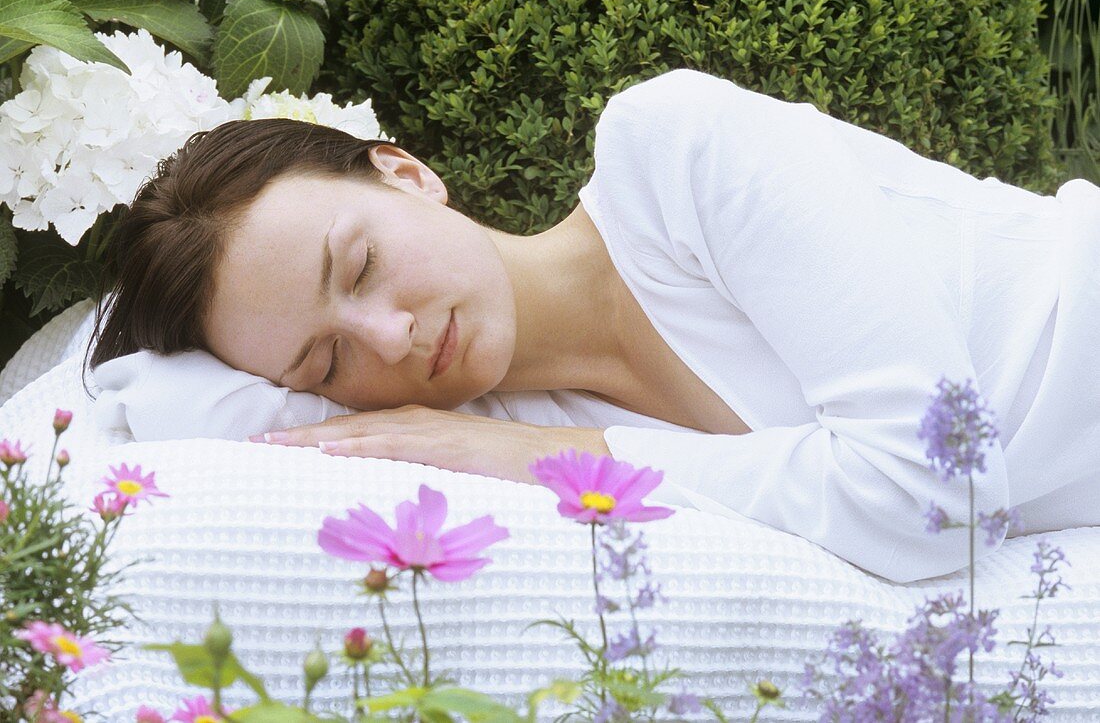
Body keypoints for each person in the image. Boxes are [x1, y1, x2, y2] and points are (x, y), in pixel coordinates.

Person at [88, 67, 1100, 583]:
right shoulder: (495, 430)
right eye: (328, 357)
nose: (387, 337)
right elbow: (151, 405)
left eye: (359, 265)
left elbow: (935, 494)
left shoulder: (674, 158)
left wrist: (546, 455)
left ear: (405, 172)